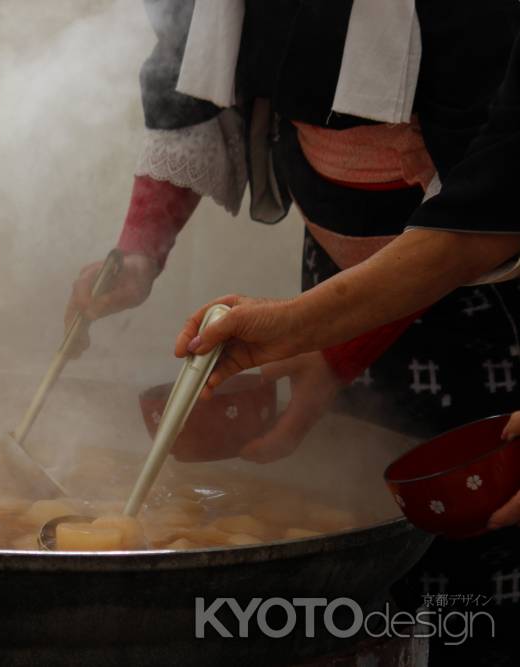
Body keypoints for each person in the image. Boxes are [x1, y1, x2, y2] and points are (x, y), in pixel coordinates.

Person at [65, 1, 520, 663]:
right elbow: (192, 72)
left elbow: (493, 202)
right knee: (353, 552)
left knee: (469, 562)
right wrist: (139, 248)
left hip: (492, 297)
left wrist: (319, 334)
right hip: (340, 277)